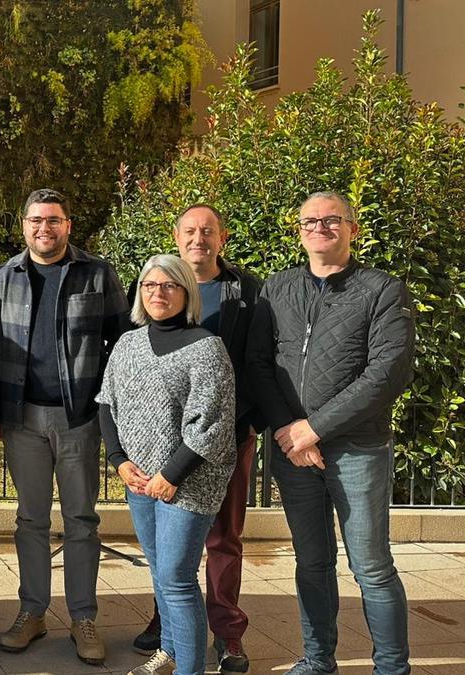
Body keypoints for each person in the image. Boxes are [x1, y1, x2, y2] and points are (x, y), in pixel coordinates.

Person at [248, 191, 415, 675]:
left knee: (372, 568)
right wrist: (289, 430)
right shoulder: (276, 289)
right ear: (299, 231)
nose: (320, 228)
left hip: (357, 448)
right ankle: (318, 661)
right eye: (309, 221)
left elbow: (387, 372)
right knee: (312, 564)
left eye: (331, 220)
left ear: (352, 229)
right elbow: (260, 364)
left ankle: (392, 667)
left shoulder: (383, 290)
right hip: (292, 451)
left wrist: (313, 428)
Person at [0, 189, 127, 665]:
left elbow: (122, 344)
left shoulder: (97, 274)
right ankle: (33, 611)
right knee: (30, 520)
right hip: (22, 418)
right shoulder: (6, 276)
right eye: (35, 221)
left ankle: (84, 617)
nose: (43, 228)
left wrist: (107, 409)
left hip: (78, 418)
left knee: (82, 520)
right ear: (23, 225)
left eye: (53, 220)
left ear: (68, 225)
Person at [130, 204, 261, 674]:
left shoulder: (245, 289)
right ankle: (170, 627)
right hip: (160, 442)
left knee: (223, 538)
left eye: (207, 231)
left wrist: (239, 424)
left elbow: (257, 359)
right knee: (166, 547)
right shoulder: (156, 279)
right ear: (176, 235)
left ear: (222, 238)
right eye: (189, 231)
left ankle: (227, 634)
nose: (198, 238)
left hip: (225, 439)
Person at [96, 254, 236, 675]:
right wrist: (119, 461)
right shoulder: (128, 343)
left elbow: (211, 424)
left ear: (185, 292)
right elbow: (107, 403)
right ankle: (170, 652)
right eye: (149, 285)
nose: (158, 293)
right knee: (160, 574)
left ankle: (189, 669)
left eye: (168, 285)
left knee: (176, 580)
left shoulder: (206, 347)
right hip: (139, 481)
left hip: (188, 483)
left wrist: (170, 475)